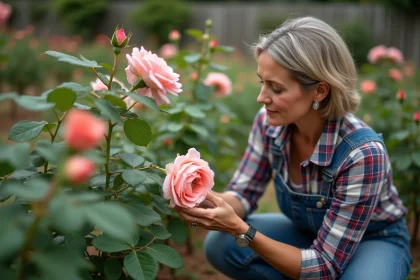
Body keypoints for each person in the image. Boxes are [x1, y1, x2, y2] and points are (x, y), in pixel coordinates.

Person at [175, 16, 412, 279]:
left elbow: (325, 266)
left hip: (373, 239)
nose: (262, 97)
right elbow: (244, 193)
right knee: (221, 246)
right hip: (309, 233)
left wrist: (243, 231)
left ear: (320, 91)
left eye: (276, 88)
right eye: (261, 82)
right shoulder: (269, 124)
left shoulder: (361, 153)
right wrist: (195, 198)